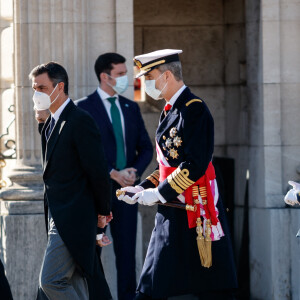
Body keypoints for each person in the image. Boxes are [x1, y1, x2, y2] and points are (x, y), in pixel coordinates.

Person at [118, 49, 238, 300]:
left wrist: (158, 194)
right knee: (152, 283)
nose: (145, 83)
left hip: (196, 209)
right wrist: (142, 189)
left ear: (167, 75)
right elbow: (167, 165)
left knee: (212, 288)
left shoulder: (194, 109)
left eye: (149, 76)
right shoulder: (170, 110)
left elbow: (194, 164)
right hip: (174, 209)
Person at [30, 62, 112, 300]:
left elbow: (97, 172)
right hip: (58, 214)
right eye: (34, 88)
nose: (36, 94)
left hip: (75, 216)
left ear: (60, 87)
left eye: (42, 87)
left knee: (51, 281)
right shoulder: (50, 122)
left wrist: (103, 212)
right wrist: (41, 122)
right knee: (75, 281)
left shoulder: (79, 120)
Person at [76, 53, 153, 300]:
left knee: (127, 253)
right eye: (120, 74)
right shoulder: (83, 108)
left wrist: (134, 172)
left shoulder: (131, 107)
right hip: (96, 193)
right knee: (92, 254)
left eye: (124, 73)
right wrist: (112, 173)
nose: (124, 78)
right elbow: (83, 152)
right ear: (104, 76)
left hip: (128, 192)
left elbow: (146, 147)